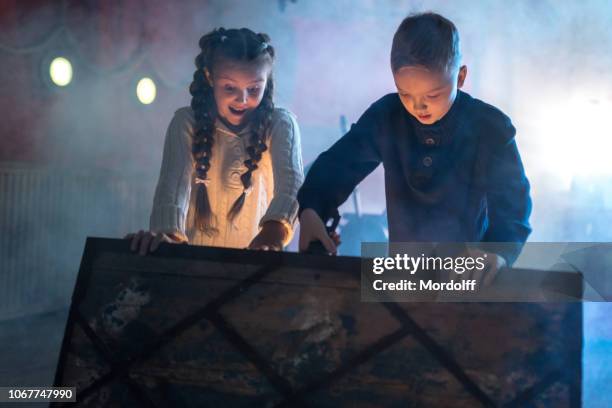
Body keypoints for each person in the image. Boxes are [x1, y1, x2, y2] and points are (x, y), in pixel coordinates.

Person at [297, 12, 532, 278]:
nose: (418, 106)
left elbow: (513, 202)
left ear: (461, 76)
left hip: (471, 276)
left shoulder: (490, 127)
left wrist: (498, 252)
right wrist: (312, 208)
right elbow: (339, 164)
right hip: (404, 274)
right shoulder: (387, 117)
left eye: (433, 95)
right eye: (404, 93)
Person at [127, 27, 304, 255]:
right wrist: (167, 236)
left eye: (254, 89)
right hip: (191, 270)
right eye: (230, 87)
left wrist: (274, 231)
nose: (242, 99)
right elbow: (171, 189)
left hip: (257, 267)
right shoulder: (186, 123)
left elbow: (292, 184)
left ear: (266, 81)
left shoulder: (280, 124)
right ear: (210, 77)